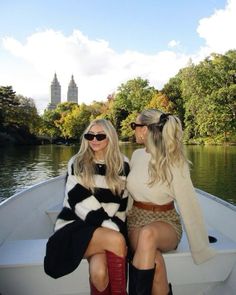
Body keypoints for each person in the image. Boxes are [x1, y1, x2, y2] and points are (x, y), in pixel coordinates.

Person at [126, 109, 216, 295]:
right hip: (136, 220)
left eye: (134, 126)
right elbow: (129, 195)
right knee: (156, 262)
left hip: (166, 222)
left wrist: (200, 247)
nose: (133, 130)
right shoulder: (136, 156)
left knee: (148, 234)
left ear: (145, 130)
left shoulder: (174, 161)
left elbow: (188, 204)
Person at [44, 119, 130, 295]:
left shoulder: (123, 164)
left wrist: (115, 227)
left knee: (98, 272)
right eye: (90, 135)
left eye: (100, 135)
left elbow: (123, 205)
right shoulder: (77, 163)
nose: (94, 140)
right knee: (117, 240)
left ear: (110, 138)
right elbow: (78, 201)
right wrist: (111, 228)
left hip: (106, 231)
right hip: (75, 227)